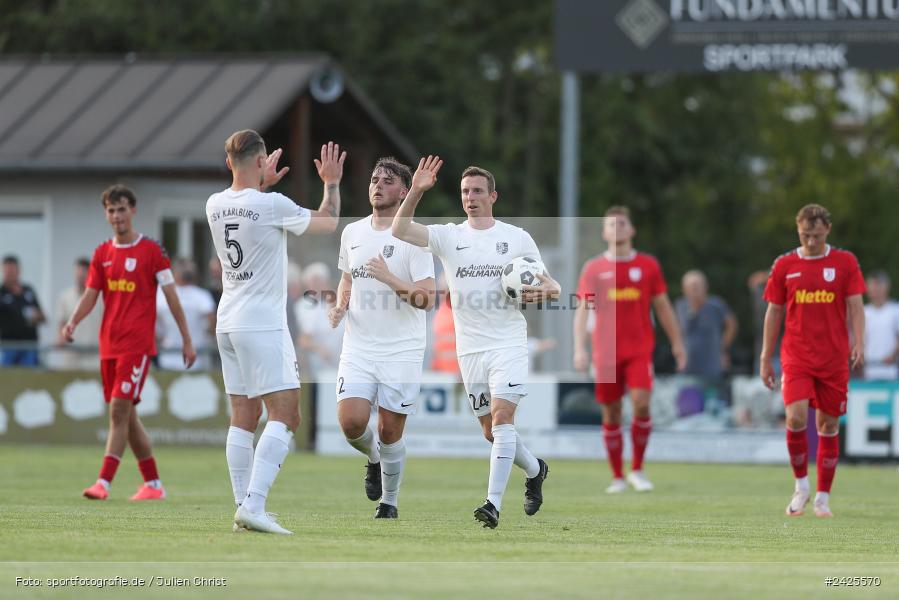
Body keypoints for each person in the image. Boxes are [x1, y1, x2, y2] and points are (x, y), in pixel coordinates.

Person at [392, 157, 558, 529]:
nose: (470, 197)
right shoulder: (449, 237)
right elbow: (400, 230)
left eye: (478, 191)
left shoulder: (516, 238)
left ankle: (492, 504)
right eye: (465, 191)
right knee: (491, 431)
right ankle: (535, 470)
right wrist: (416, 190)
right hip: (471, 352)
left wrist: (549, 291)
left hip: (508, 344)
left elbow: (550, 284)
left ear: (493, 196)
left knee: (502, 420)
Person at [207, 131, 342, 535]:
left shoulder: (214, 204)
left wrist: (261, 181)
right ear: (262, 160)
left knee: (243, 417)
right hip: (262, 322)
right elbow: (328, 221)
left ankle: (243, 506)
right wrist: (331, 182)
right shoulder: (271, 205)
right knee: (286, 415)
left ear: (229, 162)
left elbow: (246, 205)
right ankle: (254, 505)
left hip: (227, 320)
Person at [63, 185, 197, 501]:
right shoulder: (102, 254)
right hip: (109, 345)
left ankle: (103, 483)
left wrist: (186, 340)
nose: (117, 215)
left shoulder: (152, 252)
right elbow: (90, 296)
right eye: (111, 210)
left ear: (133, 211)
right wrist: (72, 321)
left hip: (137, 346)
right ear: (106, 214)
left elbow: (172, 296)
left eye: (122, 209)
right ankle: (153, 484)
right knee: (127, 416)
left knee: (118, 410)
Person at [328, 156, 435, 519]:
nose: (378, 185)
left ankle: (389, 502)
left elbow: (426, 298)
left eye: (388, 181)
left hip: (402, 349)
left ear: (404, 191)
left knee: (390, 430)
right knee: (351, 423)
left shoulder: (415, 239)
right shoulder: (352, 233)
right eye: (375, 178)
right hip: (358, 345)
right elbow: (347, 277)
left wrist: (390, 279)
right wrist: (340, 305)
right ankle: (372, 458)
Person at [761, 204, 865, 518]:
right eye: (806, 235)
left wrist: (858, 340)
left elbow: (856, 306)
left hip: (833, 358)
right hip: (796, 356)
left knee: (828, 424)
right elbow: (774, 311)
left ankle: (822, 497)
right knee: (795, 418)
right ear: (798, 230)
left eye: (817, 236)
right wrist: (766, 356)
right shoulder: (785, 265)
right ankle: (801, 486)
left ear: (827, 231)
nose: (811, 242)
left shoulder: (845, 262)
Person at [573, 206, 686, 494]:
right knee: (611, 413)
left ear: (632, 229)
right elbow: (582, 311)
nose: (617, 228)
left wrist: (677, 343)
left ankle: (637, 469)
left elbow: (663, 307)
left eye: (622, 223)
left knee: (641, 404)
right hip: (605, 352)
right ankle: (617, 476)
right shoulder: (594, 268)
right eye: (611, 225)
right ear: (604, 232)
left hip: (639, 350)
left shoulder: (648, 266)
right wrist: (579, 348)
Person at [674, 269, 737, 378]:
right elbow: (675, 330)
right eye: (691, 287)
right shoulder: (680, 306)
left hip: (713, 366)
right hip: (687, 366)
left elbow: (732, 324)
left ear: (705, 287)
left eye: (697, 286)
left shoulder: (716, 305)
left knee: (713, 394)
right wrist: (679, 352)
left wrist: (722, 347)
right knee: (689, 394)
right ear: (684, 289)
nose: (695, 290)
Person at [155, 257, 216, 371]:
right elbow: (212, 320)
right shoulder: (202, 296)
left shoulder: (161, 294)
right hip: (197, 357)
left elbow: (152, 323)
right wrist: (209, 335)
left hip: (168, 356)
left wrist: (160, 337)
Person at [296, 262, 343, 379]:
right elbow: (303, 339)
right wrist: (320, 349)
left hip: (343, 366)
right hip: (321, 369)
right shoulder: (313, 310)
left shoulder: (345, 306)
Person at [55, 258, 103, 370]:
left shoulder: (101, 297)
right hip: (72, 356)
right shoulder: (65, 296)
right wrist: (61, 338)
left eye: (83, 273)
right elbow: (62, 322)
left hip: (94, 355)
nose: (80, 277)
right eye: (78, 273)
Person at [0, 255, 46, 366]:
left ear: (19, 271)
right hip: (8, 346)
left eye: (13, 270)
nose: (10, 274)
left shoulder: (28, 290)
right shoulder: (1, 293)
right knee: (6, 379)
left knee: (28, 379)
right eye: (7, 271)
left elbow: (42, 316)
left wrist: (37, 316)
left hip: (29, 345)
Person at [863, 271, 899, 381]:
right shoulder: (864, 312)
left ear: (885, 288)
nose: (874, 290)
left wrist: (892, 356)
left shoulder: (895, 310)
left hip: (891, 370)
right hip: (869, 370)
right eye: (870, 286)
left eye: (877, 286)